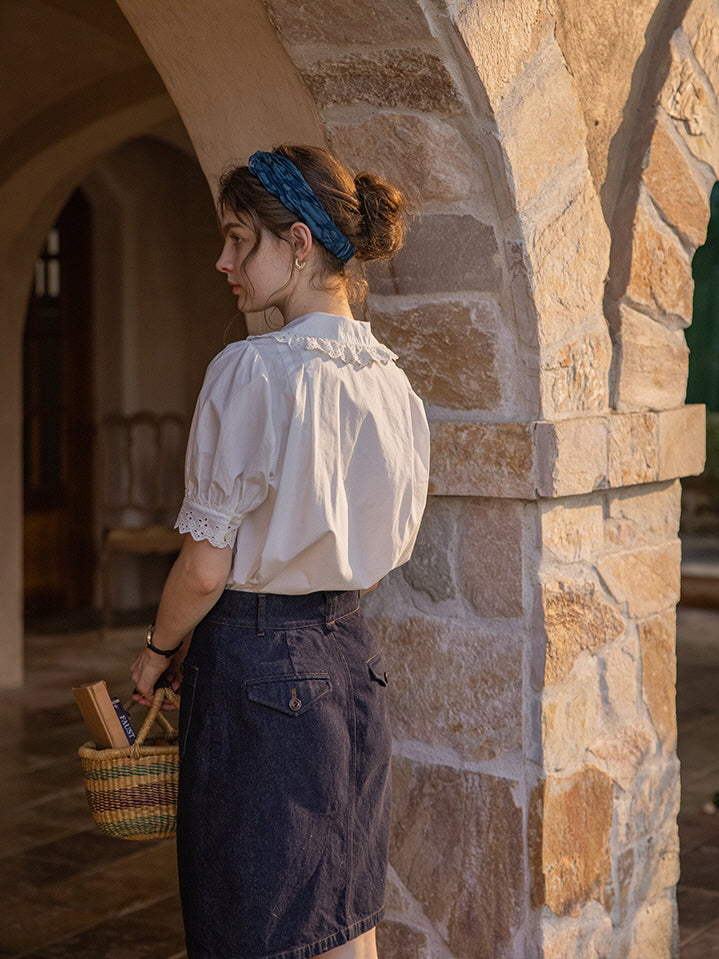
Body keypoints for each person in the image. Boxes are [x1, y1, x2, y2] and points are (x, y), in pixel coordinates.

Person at [131, 144, 430, 959]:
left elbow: (203, 567)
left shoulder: (250, 371)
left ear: (297, 244)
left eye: (238, 240)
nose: (221, 260)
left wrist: (157, 649)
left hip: (258, 667)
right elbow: (390, 540)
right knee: (342, 916)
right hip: (351, 661)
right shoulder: (391, 382)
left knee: (251, 926)